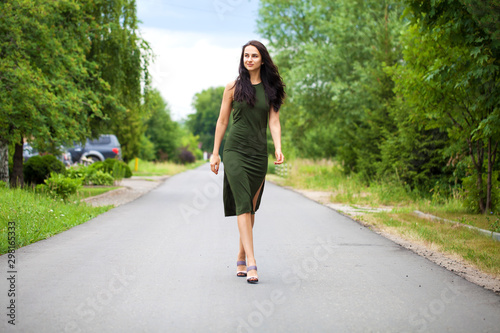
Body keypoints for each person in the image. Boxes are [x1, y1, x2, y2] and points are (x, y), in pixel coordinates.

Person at [210, 40, 286, 284]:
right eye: (246, 56)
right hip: (234, 152)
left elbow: (274, 122)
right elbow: (222, 121)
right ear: (242, 59)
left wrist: (278, 148)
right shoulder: (233, 87)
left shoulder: (271, 89)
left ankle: (241, 254)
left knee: (250, 207)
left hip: (258, 154)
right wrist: (215, 153)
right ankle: (252, 262)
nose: (249, 59)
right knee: (243, 202)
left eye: (254, 55)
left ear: (262, 59)